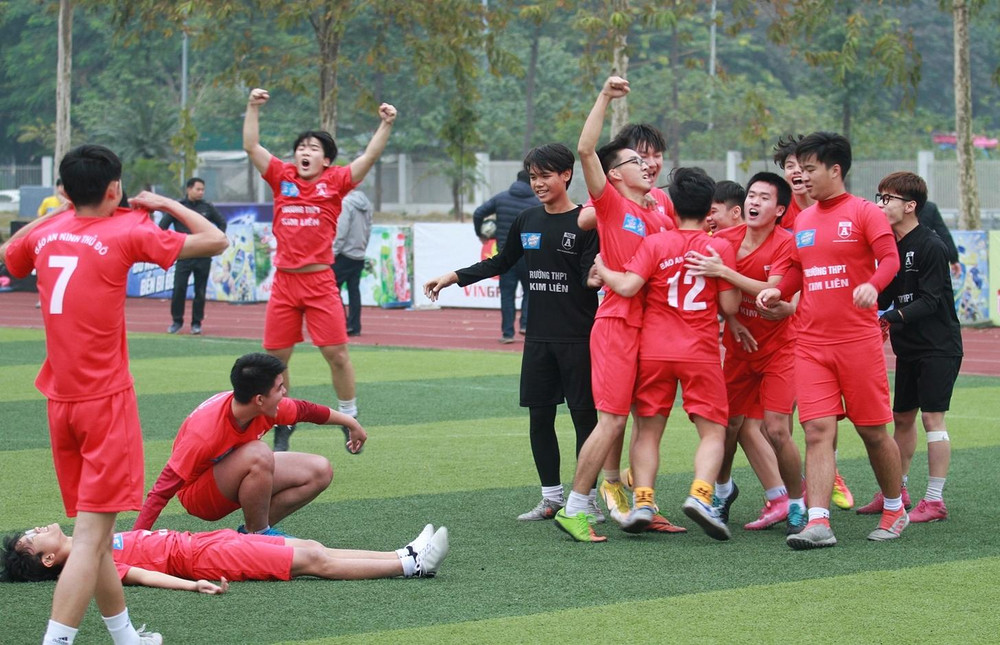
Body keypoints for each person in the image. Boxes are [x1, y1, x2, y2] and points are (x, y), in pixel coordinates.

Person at [0, 144, 228, 645]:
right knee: (88, 539)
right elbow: (215, 239)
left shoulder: (45, 231)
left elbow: (9, 253)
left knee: (96, 535)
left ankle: (126, 637)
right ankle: (56, 641)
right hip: (104, 404)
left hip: (60, 404)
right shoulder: (127, 231)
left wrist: (58, 214)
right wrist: (165, 204)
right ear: (114, 189)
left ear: (65, 191)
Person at [423, 143, 601, 524]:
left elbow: (590, 277)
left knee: (585, 421)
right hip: (537, 339)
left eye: (545, 175)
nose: (538, 183)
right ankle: (551, 498)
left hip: (580, 339)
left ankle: (586, 500)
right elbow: (501, 262)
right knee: (540, 418)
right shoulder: (526, 220)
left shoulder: (586, 222)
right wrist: (454, 276)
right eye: (533, 176)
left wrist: (599, 275)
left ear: (566, 174)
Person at [757, 132, 906, 550]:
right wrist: (777, 292)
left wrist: (873, 285)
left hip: (857, 341)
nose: (801, 176)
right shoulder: (803, 220)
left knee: (873, 432)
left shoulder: (864, 212)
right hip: (809, 344)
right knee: (817, 430)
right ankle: (819, 522)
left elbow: (890, 259)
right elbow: (796, 271)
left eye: (810, 169)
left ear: (835, 170)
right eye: (798, 169)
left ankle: (895, 507)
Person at [554, 76, 686, 543]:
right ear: (614, 175)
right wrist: (606, 97)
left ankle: (646, 505)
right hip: (616, 325)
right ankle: (575, 507)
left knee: (648, 421)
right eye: (635, 160)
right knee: (611, 419)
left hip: (654, 330)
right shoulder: (610, 205)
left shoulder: (659, 214)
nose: (648, 166)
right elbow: (585, 149)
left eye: (650, 160)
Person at [243, 87, 395, 453]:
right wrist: (252, 107)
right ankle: (282, 421)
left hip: (320, 281)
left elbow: (370, 156)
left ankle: (349, 417)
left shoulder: (336, 181)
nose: (305, 152)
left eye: (313, 148)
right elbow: (251, 146)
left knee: (336, 355)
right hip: (284, 283)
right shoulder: (281, 176)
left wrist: (386, 124)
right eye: (301, 147)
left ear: (326, 160)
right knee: (275, 361)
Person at [595, 167, 741, 540]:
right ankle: (701, 494)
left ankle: (643, 501)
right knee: (713, 431)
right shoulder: (719, 248)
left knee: (648, 429)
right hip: (700, 350)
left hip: (655, 350)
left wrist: (603, 270)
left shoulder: (656, 243)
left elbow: (628, 286)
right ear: (709, 208)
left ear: (672, 205)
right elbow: (729, 306)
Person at [686, 172, 806, 535]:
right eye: (752, 195)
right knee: (726, 427)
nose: (754, 202)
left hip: (780, 349)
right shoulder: (725, 239)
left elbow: (771, 290)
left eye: (764, 198)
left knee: (777, 430)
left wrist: (725, 271)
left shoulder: (786, 243)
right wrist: (733, 319)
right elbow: (714, 290)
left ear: (780, 210)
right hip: (740, 350)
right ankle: (722, 494)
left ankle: (797, 503)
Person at [133, 353, 367, 536]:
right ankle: (260, 535)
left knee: (320, 470)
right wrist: (134, 540)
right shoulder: (204, 433)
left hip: (235, 472)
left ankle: (250, 534)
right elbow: (161, 491)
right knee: (259, 453)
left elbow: (307, 410)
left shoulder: (264, 406)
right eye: (279, 388)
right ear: (259, 399)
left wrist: (351, 423)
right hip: (199, 496)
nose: (284, 392)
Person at [861, 172, 962, 522]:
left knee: (933, 418)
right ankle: (897, 490)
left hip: (939, 347)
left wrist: (889, 317)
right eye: (879, 197)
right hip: (909, 348)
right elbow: (886, 293)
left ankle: (934, 500)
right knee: (902, 418)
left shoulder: (931, 245)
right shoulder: (891, 246)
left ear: (910, 206)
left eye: (887, 198)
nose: (880, 204)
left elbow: (931, 301)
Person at [772, 134, 856, 511]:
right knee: (784, 415)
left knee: (825, 413)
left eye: (803, 167)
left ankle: (829, 472)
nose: (797, 173)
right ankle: (795, 489)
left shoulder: (839, 211)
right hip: (784, 327)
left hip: (824, 327)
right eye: (790, 167)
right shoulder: (782, 211)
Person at [2, 522, 449, 590]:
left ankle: (403, 552)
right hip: (207, 560)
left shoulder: (87, 538)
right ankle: (411, 565)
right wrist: (190, 584)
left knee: (311, 548)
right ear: (47, 560)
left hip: (204, 541)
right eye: (34, 538)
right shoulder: (90, 563)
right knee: (313, 562)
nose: (40, 528)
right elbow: (140, 575)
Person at [472, 169, 540, 343]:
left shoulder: (501, 198)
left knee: (507, 294)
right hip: (528, 255)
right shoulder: (536, 202)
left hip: (505, 255)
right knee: (530, 291)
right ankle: (525, 325)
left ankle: (507, 333)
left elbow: (478, 213)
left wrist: (481, 233)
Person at [161, 177, 228, 335]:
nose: (201, 192)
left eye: (203, 190)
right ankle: (176, 322)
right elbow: (162, 226)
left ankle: (196, 323)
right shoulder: (178, 207)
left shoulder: (207, 207)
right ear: (189, 189)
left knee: (200, 290)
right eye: (198, 189)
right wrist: (172, 243)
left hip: (203, 254)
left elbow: (222, 223)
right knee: (179, 288)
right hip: (184, 254)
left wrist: (214, 241)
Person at [332, 188, 374, 337]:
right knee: (354, 291)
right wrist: (362, 248)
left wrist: (333, 252)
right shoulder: (367, 205)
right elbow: (369, 228)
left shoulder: (346, 203)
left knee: (332, 289)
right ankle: (354, 326)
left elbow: (341, 231)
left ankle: (340, 324)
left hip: (344, 253)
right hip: (358, 254)